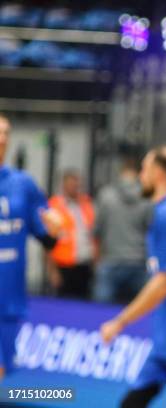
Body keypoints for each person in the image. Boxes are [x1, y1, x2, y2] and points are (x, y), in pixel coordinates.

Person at [99, 146, 166, 408]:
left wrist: (119, 321)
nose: (140, 176)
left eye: (144, 169)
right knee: (132, 402)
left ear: (158, 173)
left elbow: (164, 281)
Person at [0, 113, 61, 381]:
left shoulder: (22, 184)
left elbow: (46, 236)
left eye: (6, 132)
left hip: (8, 295)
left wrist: (55, 230)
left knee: (3, 370)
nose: (2, 138)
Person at [94, 158, 151, 303]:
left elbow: (97, 230)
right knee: (140, 311)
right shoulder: (147, 198)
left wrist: (97, 259)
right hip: (139, 261)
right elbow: (151, 230)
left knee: (100, 312)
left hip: (111, 260)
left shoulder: (105, 196)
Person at [48, 169, 96, 298]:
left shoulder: (86, 204)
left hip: (84, 264)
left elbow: (93, 234)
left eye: (76, 185)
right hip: (64, 265)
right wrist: (52, 270)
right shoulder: (54, 206)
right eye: (70, 185)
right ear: (63, 186)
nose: (74, 188)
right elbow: (48, 242)